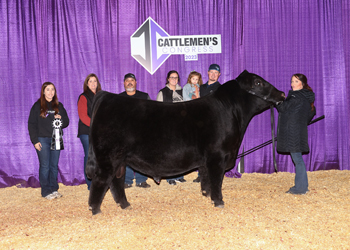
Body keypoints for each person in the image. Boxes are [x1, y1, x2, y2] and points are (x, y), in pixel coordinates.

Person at [28, 82, 69, 200]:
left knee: (54, 166)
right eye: (48, 90)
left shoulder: (59, 105)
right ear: (43, 91)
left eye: (52, 90)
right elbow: (31, 124)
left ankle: (54, 189)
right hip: (42, 139)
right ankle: (46, 191)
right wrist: (35, 141)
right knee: (45, 165)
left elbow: (66, 122)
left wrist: (61, 118)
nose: (50, 92)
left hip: (56, 138)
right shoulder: (37, 106)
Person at [276, 73, 316, 195]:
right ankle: (302, 186)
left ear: (302, 84)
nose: (293, 84)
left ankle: (300, 189)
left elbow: (283, 108)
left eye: (296, 81)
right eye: (292, 81)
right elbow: (310, 115)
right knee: (298, 159)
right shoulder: (307, 98)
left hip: (293, 133)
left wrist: (278, 99)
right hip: (299, 131)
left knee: (297, 159)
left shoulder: (295, 96)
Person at [120, 73, 151, 188]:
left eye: (132, 80)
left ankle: (141, 180)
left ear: (136, 83)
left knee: (141, 156)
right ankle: (127, 180)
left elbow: (150, 113)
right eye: (127, 80)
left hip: (141, 131)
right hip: (125, 133)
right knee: (125, 156)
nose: (129, 82)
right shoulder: (119, 98)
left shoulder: (144, 96)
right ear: (124, 83)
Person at [156, 70, 186, 185]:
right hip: (168, 126)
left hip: (181, 126)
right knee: (170, 153)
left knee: (181, 152)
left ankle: (180, 175)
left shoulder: (183, 91)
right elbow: (158, 111)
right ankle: (170, 177)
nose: (174, 79)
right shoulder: (162, 92)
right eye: (172, 77)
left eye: (176, 77)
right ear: (168, 79)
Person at [193, 64, 222, 183]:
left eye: (216, 73)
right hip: (201, 123)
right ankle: (201, 174)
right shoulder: (202, 87)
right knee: (201, 149)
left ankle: (212, 174)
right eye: (212, 72)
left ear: (219, 75)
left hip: (213, 123)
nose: (213, 75)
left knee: (213, 150)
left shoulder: (220, 88)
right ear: (208, 73)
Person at [77, 73, 102, 190]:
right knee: (89, 156)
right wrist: (96, 125)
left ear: (98, 83)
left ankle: (97, 181)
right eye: (90, 81)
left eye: (95, 81)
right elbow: (83, 116)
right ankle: (90, 183)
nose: (93, 83)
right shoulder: (83, 97)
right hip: (87, 131)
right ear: (87, 84)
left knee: (98, 157)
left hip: (98, 131)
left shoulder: (101, 96)